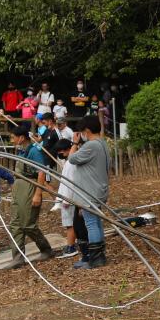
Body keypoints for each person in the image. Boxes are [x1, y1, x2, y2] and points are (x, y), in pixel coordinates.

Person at [2, 122, 57, 264]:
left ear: (21, 138)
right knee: (15, 223)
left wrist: (38, 194)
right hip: (18, 188)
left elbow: (41, 172)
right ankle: (18, 257)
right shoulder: (21, 151)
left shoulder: (34, 151)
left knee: (28, 224)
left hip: (30, 187)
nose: (12, 140)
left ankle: (46, 249)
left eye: (13, 138)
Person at [61, 115, 111, 268]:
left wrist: (75, 143)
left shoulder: (91, 146)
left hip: (90, 192)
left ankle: (95, 259)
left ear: (87, 130)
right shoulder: (102, 144)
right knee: (96, 222)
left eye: (82, 131)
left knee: (90, 223)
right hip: (99, 189)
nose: (81, 134)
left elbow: (71, 159)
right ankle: (99, 257)